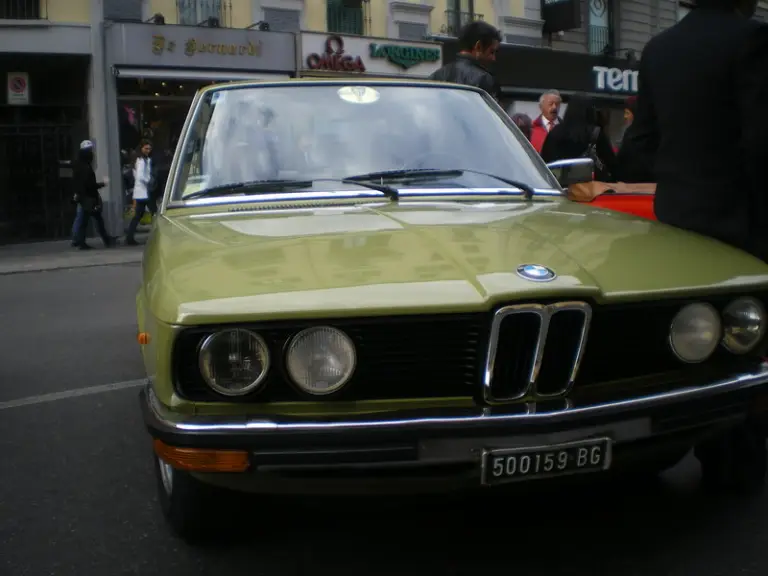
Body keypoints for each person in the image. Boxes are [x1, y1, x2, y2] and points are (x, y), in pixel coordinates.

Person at [620, 0, 768, 494]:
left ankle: (697, 437)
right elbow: (759, 142)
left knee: (695, 337)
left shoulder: (660, 49)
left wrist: (682, 174)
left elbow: (638, 147)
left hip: (681, 218)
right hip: (742, 219)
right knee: (747, 338)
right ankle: (738, 461)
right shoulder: (751, 38)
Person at [540, 93, 617, 182]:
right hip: (590, 188)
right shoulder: (596, 133)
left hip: (561, 186)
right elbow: (612, 164)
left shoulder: (555, 132)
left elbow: (545, 161)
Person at [428, 21, 501, 100]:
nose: (493, 58)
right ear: (478, 46)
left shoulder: (436, 76)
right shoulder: (484, 79)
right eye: (492, 52)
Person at [71, 140, 113, 250]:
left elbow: (77, 182)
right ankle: (82, 241)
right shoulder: (85, 167)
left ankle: (79, 240)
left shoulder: (78, 165)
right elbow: (89, 185)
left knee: (84, 220)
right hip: (88, 198)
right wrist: (102, 184)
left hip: (84, 197)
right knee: (90, 220)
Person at [125, 139, 156, 246]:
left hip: (141, 192)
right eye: (146, 148)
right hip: (144, 191)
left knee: (138, 215)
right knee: (154, 213)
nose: (148, 150)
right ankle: (157, 235)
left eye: (149, 149)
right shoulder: (142, 160)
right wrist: (149, 181)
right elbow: (140, 176)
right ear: (141, 148)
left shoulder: (140, 159)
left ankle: (129, 237)